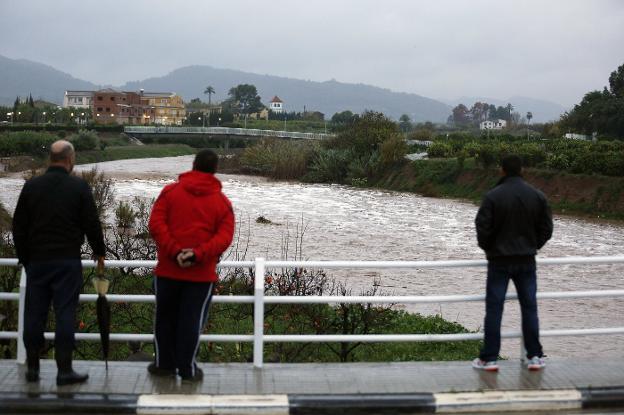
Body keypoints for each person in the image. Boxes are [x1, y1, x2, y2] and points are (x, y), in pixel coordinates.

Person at [12, 140, 105, 386]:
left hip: (37, 262)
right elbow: (91, 223)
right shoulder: (78, 187)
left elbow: (19, 226)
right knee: (65, 313)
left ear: (50, 159)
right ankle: (64, 371)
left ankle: (32, 370)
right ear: (70, 159)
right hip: (67, 261)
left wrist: (25, 258)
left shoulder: (32, 186)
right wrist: (99, 251)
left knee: (34, 315)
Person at [148, 149, 234, 382]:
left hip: (167, 270)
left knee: (164, 319)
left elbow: (156, 224)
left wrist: (175, 251)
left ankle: (164, 365)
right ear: (215, 169)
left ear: (193, 165)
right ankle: (187, 370)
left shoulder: (170, 193)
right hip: (201, 275)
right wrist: (197, 255)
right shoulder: (222, 203)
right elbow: (224, 237)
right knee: (191, 322)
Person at [472, 155, 553, 372]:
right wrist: (533, 245)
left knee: (494, 309)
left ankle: (489, 359)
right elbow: (547, 229)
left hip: (499, 261)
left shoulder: (492, 197)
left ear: (502, 171)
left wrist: (490, 249)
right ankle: (534, 356)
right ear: (522, 170)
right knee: (529, 308)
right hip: (526, 260)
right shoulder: (537, 196)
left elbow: (482, 228)